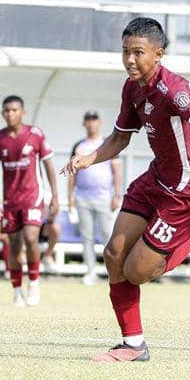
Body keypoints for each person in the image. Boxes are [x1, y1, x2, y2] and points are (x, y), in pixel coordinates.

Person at [63, 17, 190, 362]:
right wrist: (89, 158)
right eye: (125, 52)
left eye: (138, 53)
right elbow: (121, 136)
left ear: (159, 54)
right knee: (113, 254)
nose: (130, 60)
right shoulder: (132, 88)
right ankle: (133, 344)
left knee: (138, 271)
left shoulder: (173, 88)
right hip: (155, 179)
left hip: (185, 190)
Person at [0, 95, 59, 306]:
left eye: (14, 110)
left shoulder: (35, 134)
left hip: (32, 197)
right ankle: (17, 290)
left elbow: (48, 166)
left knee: (30, 237)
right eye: (7, 110)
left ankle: (34, 284)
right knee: (15, 245)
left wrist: (55, 195)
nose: (10, 114)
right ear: (3, 114)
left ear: (22, 112)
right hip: (10, 200)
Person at [67, 110, 123, 286]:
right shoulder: (79, 145)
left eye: (94, 120)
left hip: (104, 197)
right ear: (84, 123)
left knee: (108, 235)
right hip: (83, 197)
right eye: (88, 120)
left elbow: (116, 172)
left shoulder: (107, 143)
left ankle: (112, 271)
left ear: (99, 123)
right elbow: (72, 173)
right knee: (87, 236)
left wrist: (117, 195)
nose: (91, 124)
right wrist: (70, 196)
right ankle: (90, 271)